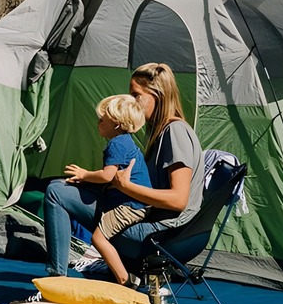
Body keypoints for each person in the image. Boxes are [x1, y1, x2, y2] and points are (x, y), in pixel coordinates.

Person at [41, 63, 205, 286]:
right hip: (150, 219)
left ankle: (56, 281)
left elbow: (178, 200)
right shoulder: (160, 131)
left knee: (56, 192)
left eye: (136, 95)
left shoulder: (175, 132)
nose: (130, 101)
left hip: (158, 233)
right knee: (63, 186)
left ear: (157, 95)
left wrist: (125, 187)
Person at [63, 95, 152, 288]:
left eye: (103, 119)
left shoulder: (117, 143)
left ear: (117, 124)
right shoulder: (126, 141)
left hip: (131, 206)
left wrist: (84, 174)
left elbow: (106, 176)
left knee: (97, 238)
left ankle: (124, 279)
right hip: (136, 203)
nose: (98, 122)